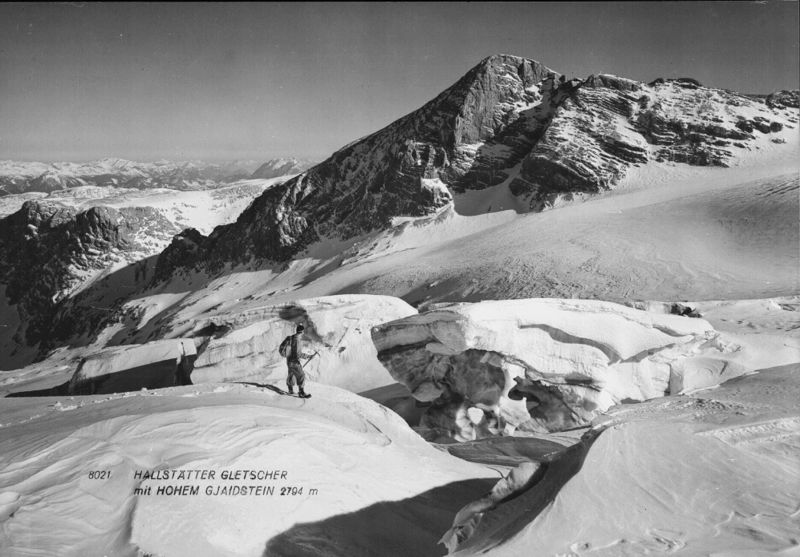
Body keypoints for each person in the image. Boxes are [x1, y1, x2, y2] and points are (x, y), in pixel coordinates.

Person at [282, 324, 312, 397]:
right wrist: (307, 356)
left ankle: (290, 390)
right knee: (301, 375)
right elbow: (298, 354)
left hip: (289, 360)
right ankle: (301, 392)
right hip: (294, 361)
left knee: (291, 374)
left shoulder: (291, 338)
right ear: (302, 331)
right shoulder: (297, 340)